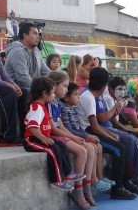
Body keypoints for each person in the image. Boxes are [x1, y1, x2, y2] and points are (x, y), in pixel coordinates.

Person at [75, 67, 137, 200]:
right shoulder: (88, 98)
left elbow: (96, 126)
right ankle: (117, 189)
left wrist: (111, 135)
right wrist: (110, 136)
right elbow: (94, 127)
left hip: (91, 130)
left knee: (121, 144)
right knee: (119, 148)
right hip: (87, 132)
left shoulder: (91, 96)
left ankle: (125, 182)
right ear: (103, 86)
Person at [47, 71, 96, 209]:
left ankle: (86, 187)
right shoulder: (50, 103)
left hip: (60, 133)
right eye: (64, 86)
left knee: (90, 148)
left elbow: (60, 125)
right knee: (82, 151)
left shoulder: (55, 102)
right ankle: (78, 190)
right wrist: (73, 137)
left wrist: (74, 137)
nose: (66, 90)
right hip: (53, 135)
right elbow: (53, 129)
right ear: (54, 86)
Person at [23, 77, 79, 192]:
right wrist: (43, 138)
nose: (54, 95)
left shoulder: (43, 106)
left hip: (41, 138)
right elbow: (32, 128)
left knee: (62, 146)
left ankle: (68, 173)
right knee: (53, 150)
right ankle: (57, 180)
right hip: (32, 140)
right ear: (44, 93)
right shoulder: (36, 107)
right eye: (53, 92)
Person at [59, 82, 112, 193]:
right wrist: (86, 136)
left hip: (77, 135)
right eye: (76, 95)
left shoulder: (72, 109)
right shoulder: (64, 109)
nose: (79, 98)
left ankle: (98, 178)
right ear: (66, 97)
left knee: (98, 146)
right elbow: (69, 129)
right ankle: (89, 182)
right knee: (91, 148)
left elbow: (78, 128)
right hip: (71, 136)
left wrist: (88, 135)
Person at [5, 22, 50, 90]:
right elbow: (23, 79)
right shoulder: (17, 52)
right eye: (35, 33)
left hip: (31, 89)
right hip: (18, 92)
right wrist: (40, 90)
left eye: (38, 34)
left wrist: (55, 84)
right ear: (25, 35)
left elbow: (46, 72)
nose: (38, 37)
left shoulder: (36, 51)